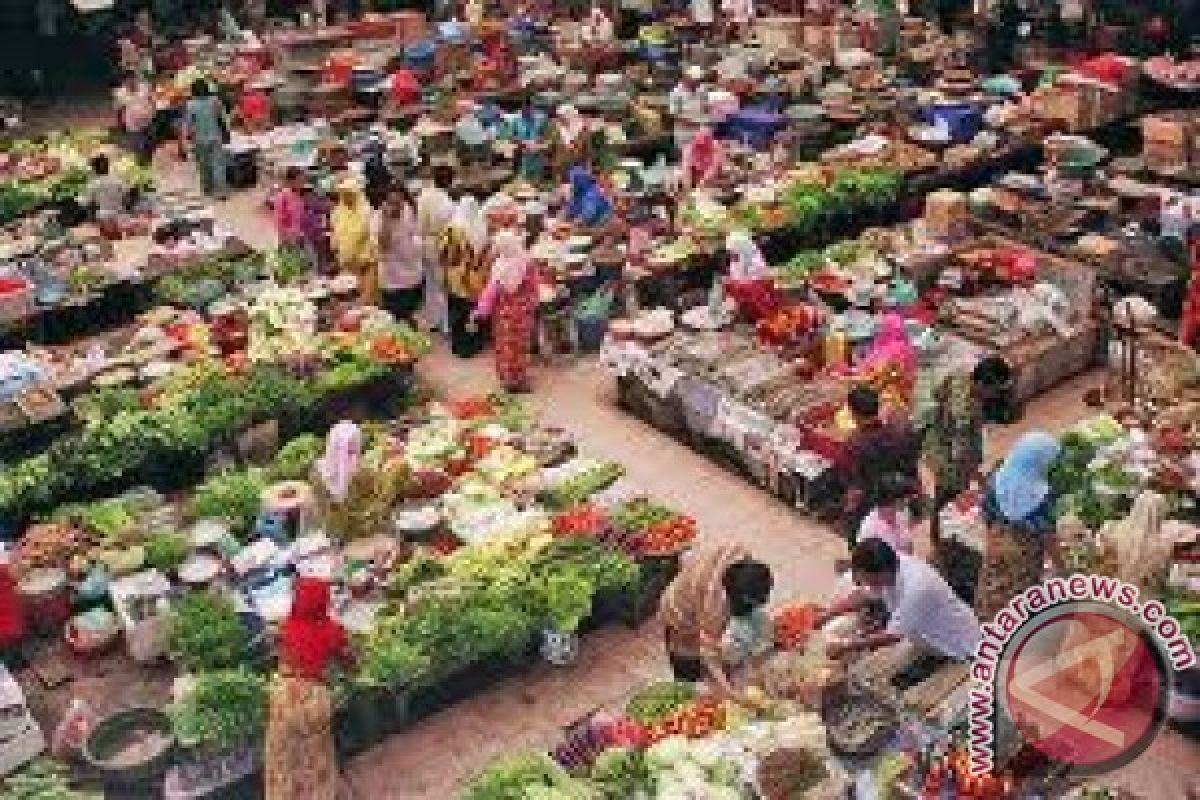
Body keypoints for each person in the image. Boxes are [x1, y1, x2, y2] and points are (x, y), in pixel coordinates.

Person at [264, 576, 351, 800]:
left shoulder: (285, 626)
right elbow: (348, 660)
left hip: (284, 696)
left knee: (283, 756)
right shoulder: (332, 630)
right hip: (313, 698)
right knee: (315, 756)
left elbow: (275, 643)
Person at [823, 538, 981, 661]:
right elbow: (864, 595)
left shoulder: (917, 587)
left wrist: (846, 646)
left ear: (883, 573)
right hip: (928, 639)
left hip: (959, 645)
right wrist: (827, 615)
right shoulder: (890, 563)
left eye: (870, 581)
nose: (869, 585)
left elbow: (892, 635)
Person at [658, 544, 773, 697]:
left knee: (717, 649)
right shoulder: (715, 606)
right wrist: (731, 693)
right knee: (687, 666)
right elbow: (709, 656)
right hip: (677, 611)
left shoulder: (740, 554)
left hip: (693, 588)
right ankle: (685, 691)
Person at [976, 431, 1062, 621]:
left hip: (997, 551)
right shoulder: (1039, 497)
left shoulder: (997, 479)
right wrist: (1062, 569)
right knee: (1018, 597)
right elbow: (1048, 537)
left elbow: (987, 519)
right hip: (1023, 557)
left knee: (994, 593)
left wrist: (994, 544)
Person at [841, 385, 920, 540]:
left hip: (866, 507)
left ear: (853, 413)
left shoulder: (854, 443)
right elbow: (911, 469)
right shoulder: (898, 435)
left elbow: (851, 483)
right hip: (896, 503)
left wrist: (849, 507)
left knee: (866, 548)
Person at [920, 366, 986, 545]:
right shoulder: (965, 407)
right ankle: (943, 540)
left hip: (942, 448)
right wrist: (975, 473)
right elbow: (961, 447)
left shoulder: (959, 377)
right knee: (948, 496)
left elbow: (937, 393)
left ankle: (941, 536)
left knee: (946, 495)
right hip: (949, 460)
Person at [472, 229, 540, 391]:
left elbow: (490, 293)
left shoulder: (500, 266)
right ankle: (518, 381)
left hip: (503, 315)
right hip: (522, 314)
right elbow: (534, 288)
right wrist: (532, 303)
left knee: (505, 346)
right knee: (520, 347)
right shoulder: (527, 263)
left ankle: (507, 378)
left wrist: (480, 311)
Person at [442, 196, 490, 357]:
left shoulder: (453, 228)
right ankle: (475, 343)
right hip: (476, 278)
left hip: (456, 279)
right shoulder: (482, 225)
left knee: (457, 313)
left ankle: (460, 346)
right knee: (474, 312)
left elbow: (445, 254)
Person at [1098, 490, 1172, 593]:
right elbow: (1160, 580)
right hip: (1142, 600)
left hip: (1112, 593)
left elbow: (1102, 564)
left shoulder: (1111, 530)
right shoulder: (1161, 546)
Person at [374, 185, 424, 322]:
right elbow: (383, 246)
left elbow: (417, 235)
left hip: (412, 273)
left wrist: (414, 248)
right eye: (392, 203)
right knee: (393, 315)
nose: (396, 208)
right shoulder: (378, 217)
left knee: (410, 313)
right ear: (385, 203)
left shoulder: (409, 211)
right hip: (391, 277)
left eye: (399, 203)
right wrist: (386, 221)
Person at [417, 165, 456, 334]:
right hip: (441, 244)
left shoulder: (423, 196)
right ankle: (445, 324)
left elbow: (419, 223)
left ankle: (432, 319)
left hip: (425, 243)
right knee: (443, 285)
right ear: (450, 182)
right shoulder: (447, 203)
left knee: (430, 284)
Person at [331, 179, 379, 305]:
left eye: (349, 194)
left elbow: (372, 238)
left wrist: (363, 258)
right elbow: (335, 234)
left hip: (365, 265)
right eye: (344, 194)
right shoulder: (338, 212)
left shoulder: (367, 212)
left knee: (366, 300)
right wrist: (336, 250)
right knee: (349, 300)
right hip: (347, 265)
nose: (346, 197)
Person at [182, 79, 231, 198]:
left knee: (203, 165)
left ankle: (207, 188)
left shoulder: (191, 104)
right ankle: (221, 191)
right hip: (216, 136)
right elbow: (222, 119)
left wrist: (187, 137)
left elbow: (188, 123)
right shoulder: (215, 101)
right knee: (218, 164)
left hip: (199, 138)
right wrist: (226, 133)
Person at [858, 472, 916, 554]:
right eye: (904, 496)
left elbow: (909, 548)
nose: (908, 500)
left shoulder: (904, 513)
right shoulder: (870, 528)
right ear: (892, 499)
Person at [114, 76, 155, 166]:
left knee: (149, 141)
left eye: (133, 80)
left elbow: (152, 99)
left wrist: (152, 110)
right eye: (128, 81)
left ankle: (148, 159)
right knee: (138, 143)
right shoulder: (120, 93)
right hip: (132, 123)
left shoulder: (145, 87)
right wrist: (120, 125)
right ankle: (141, 162)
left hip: (147, 119)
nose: (131, 83)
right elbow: (119, 109)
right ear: (124, 82)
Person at [80, 154, 127, 220]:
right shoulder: (119, 181)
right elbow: (125, 198)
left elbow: (84, 202)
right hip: (119, 217)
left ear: (95, 168)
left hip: (101, 218)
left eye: (93, 168)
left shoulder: (94, 184)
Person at [549, 105, 588, 179]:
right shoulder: (558, 127)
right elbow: (555, 144)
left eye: (561, 116)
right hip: (563, 163)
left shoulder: (581, 128)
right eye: (559, 116)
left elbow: (579, 146)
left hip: (576, 163)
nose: (559, 119)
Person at [274, 167, 307, 250]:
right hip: (292, 238)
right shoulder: (282, 197)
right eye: (299, 180)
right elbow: (279, 221)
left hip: (305, 235)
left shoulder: (303, 193)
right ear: (291, 182)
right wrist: (287, 239)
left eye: (303, 180)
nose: (303, 183)